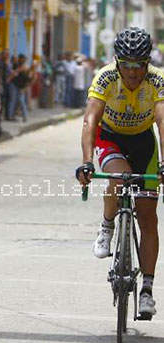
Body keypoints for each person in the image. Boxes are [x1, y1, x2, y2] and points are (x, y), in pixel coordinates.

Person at [76, 27, 164, 317]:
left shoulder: (157, 80)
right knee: (118, 177)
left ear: (147, 62)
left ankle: (148, 290)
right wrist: (87, 161)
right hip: (110, 137)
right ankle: (107, 225)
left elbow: (163, 123)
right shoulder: (105, 77)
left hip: (143, 143)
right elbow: (90, 120)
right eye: (126, 64)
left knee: (148, 215)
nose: (133, 72)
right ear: (117, 61)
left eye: (139, 64)